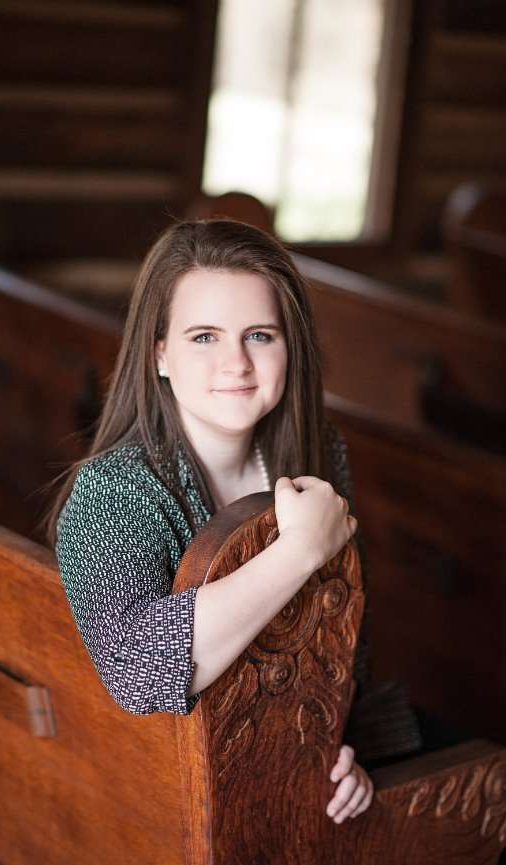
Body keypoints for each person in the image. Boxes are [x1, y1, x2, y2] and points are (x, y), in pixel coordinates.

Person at [46, 218, 421, 826]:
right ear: (159, 353)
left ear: (289, 346)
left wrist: (340, 752)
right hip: (160, 790)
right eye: (203, 337)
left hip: (290, 758)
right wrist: (297, 550)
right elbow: (137, 670)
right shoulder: (113, 491)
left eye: (259, 335)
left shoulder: (317, 449)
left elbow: (344, 634)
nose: (236, 363)